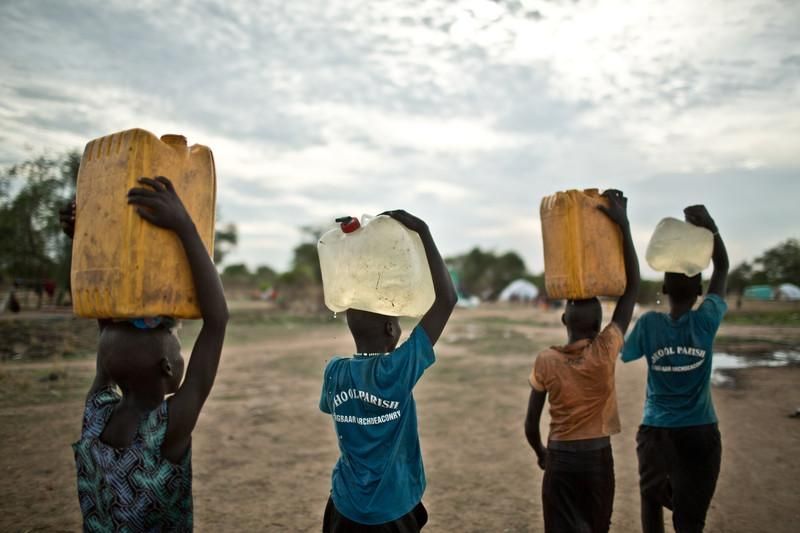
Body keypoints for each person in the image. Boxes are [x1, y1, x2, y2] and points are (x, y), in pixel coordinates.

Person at [66, 176, 229, 531]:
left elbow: (108, 321)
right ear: (167, 367)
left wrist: (86, 236)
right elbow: (217, 321)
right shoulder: (168, 429)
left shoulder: (97, 413)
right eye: (176, 339)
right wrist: (184, 226)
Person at [319, 210, 457, 533]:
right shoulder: (399, 369)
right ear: (389, 330)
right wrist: (422, 230)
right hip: (393, 510)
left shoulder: (335, 373)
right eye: (396, 321)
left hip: (344, 507)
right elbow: (446, 299)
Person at [524, 189, 640, 533]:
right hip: (597, 459)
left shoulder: (546, 361)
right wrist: (624, 225)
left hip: (560, 458)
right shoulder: (606, 350)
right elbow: (631, 289)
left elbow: (531, 426)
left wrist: (542, 453)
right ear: (600, 324)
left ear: (564, 322)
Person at [622, 205, 728, 533]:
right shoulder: (706, 320)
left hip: (657, 432)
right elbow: (722, 268)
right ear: (699, 291)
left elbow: (626, 354)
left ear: (664, 290)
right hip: (700, 432)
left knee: (651, 507)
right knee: (690, 520)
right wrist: (711, 227)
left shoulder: (649, 324)